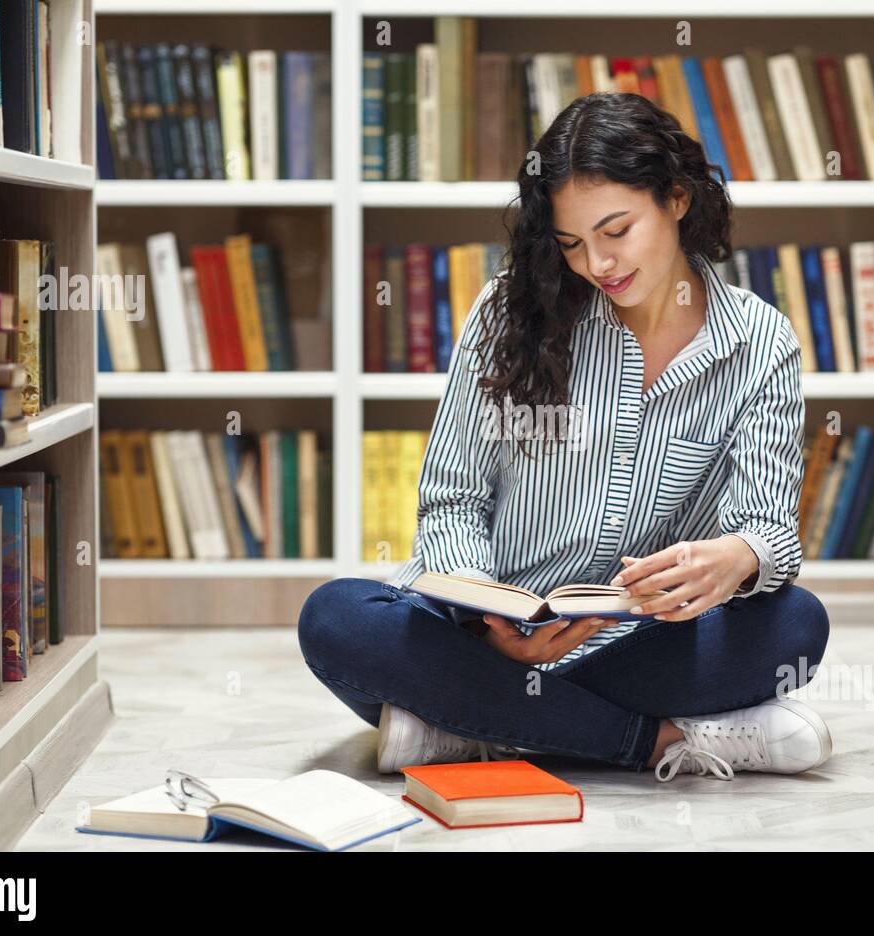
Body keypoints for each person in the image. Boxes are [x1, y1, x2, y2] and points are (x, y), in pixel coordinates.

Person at [298, 92, 831, 782]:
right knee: (336, 619)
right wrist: (487, 615)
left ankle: (467, 728)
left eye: (617, 231)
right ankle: (656, 739)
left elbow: (768, 527)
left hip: (644, 644)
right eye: (572, 243)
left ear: (677, 199)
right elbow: (451, 498)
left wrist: (737, 556)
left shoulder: (760, 341)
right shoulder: (507, 313)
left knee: (796, 626)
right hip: (487, 642)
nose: (598, 264)